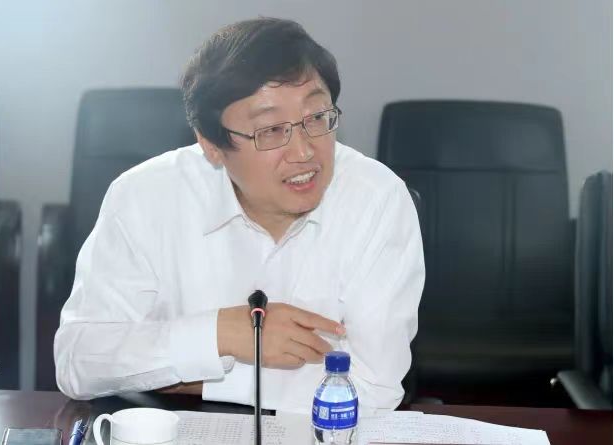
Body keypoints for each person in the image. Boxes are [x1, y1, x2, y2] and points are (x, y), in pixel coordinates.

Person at [54, 17, 424, 412]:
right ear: (211, 145)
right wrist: (222, 334)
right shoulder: (144, 197)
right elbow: (79, 361)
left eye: (316, 118)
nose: (304, 151)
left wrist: (192, 376)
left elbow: (373, 389)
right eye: (271, 130)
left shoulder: (377, 200)